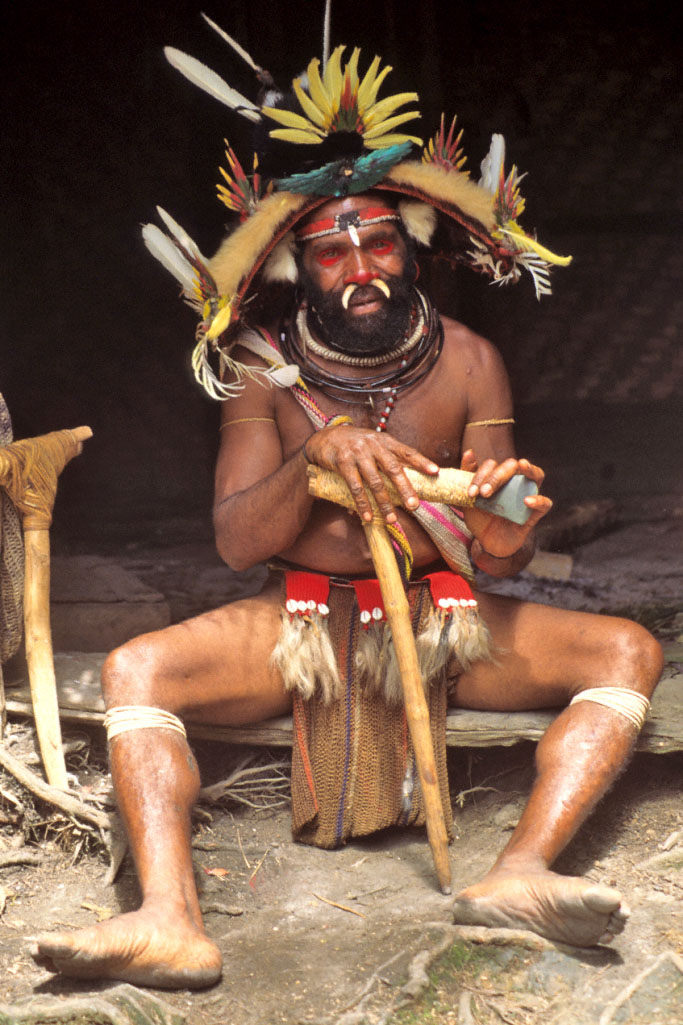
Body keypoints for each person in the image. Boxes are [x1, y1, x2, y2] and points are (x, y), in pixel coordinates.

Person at [32, 35, 662, 990]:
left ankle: (522, 871)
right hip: (297, 621)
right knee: (135, 668)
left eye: (378, 241)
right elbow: (238, 541)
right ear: (299, 268)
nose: (360, 266)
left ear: (410, 248)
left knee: (626, 650)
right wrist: (317, 452)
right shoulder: (260, 366)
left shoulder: (468, 359)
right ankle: (167, 918)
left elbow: (496, 542)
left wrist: (506, 522)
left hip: (442, 616)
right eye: (331, 251)